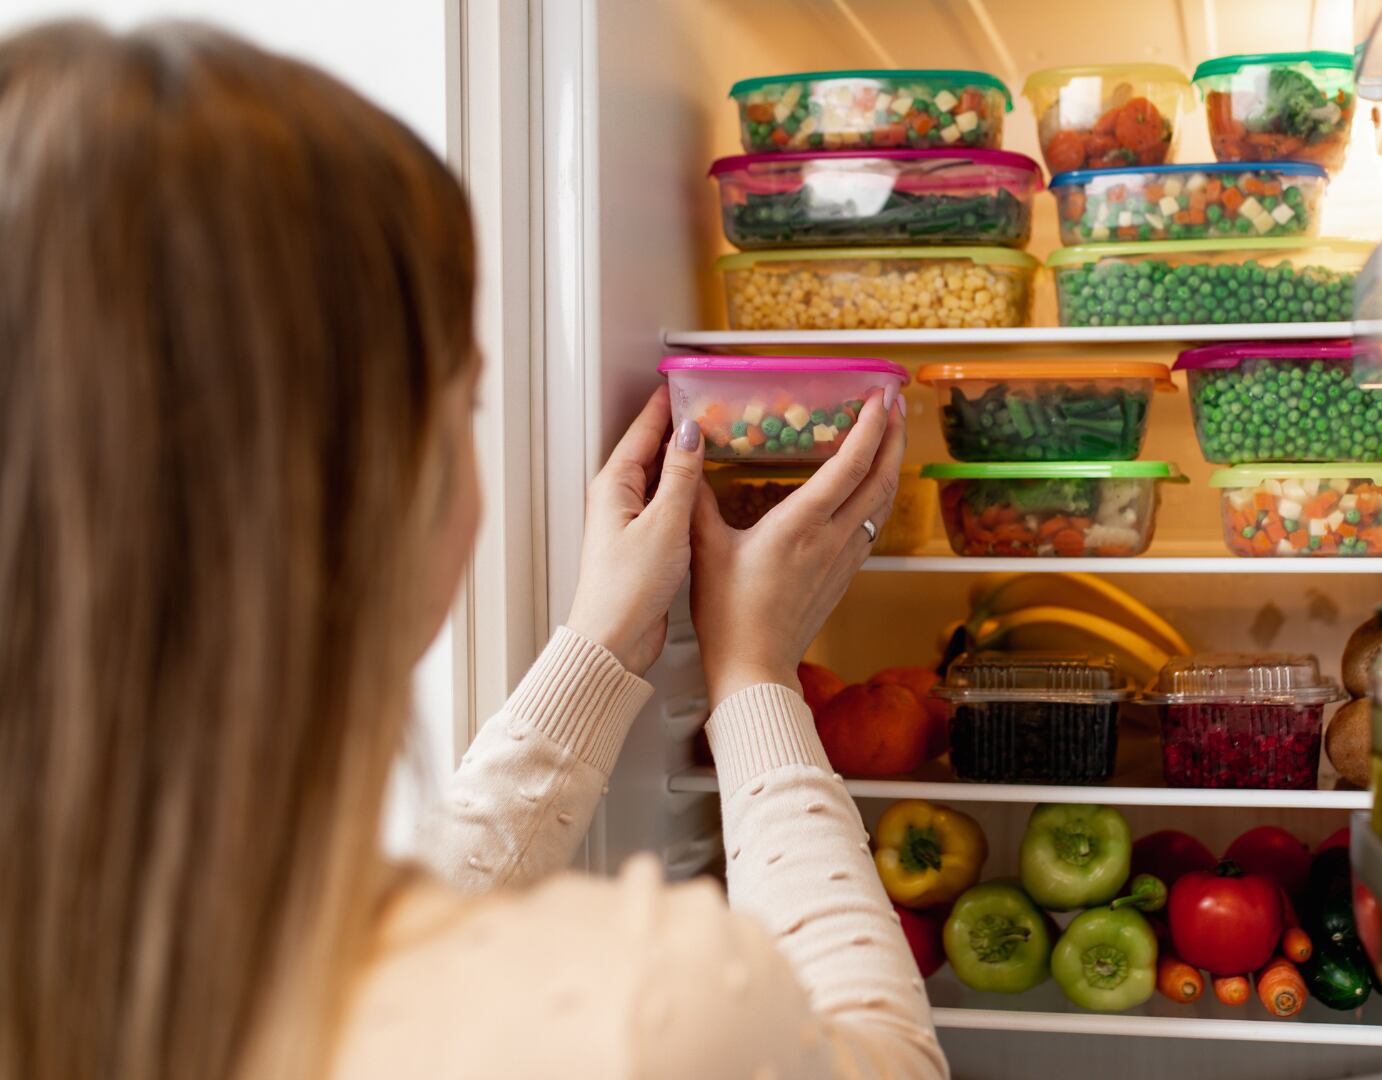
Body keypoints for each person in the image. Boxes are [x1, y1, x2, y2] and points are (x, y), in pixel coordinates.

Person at [0, 20, 943, 1080]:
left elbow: (354, 939)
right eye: (468, 400)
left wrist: (599, 650)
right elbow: (889, 1062)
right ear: (366, 493)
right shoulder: (639, 1013)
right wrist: (755, 677)